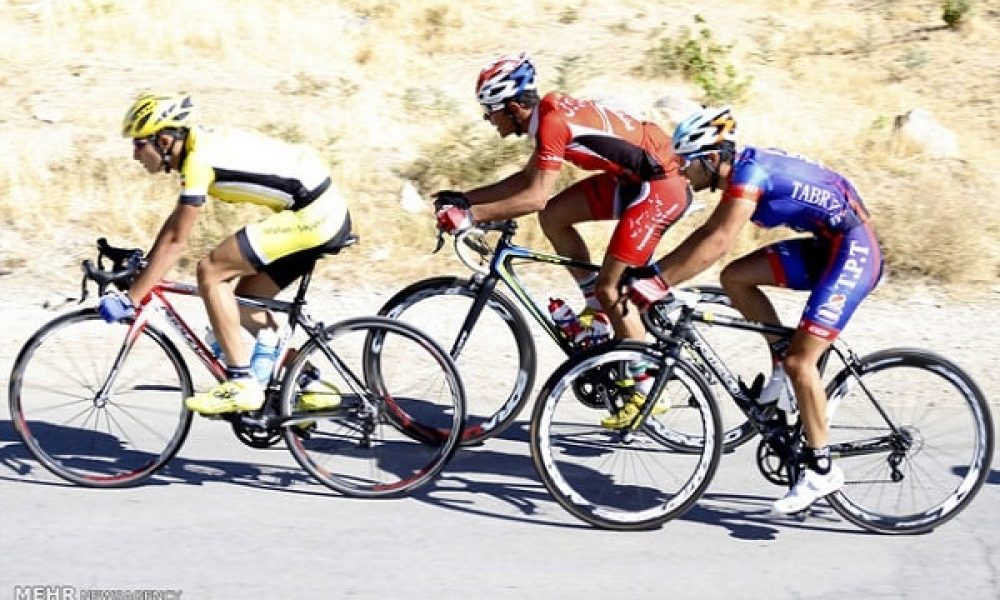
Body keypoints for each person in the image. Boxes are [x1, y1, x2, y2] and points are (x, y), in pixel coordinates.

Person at [626, 106, 884, 513]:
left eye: (687, 163)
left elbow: (717, 239)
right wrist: (656, 273)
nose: (682, 172)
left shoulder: (749, 177)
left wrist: (658, 282)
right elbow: (707, 235)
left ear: (712, 159)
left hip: (853, 250)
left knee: (803, 361)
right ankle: (783, 360)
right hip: (827, 244)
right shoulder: (742, 172)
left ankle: (821, 468)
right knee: (737, 277)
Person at [433, 52, 692, 428]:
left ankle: (647, 388)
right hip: (636, 178)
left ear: (511, 107)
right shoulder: (548, 117)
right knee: (555, 216)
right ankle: (597, 314)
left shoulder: (552, 122)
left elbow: (532, 195)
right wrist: (466, 198)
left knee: (611, 287)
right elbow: (527, 184)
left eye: (490, 111)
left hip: (661, 184)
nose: (488, 120)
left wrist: (471, 218)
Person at [99, 91, 351, 416]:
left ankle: (240, 382)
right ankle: (309, 385)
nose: (134, 154)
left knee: (210, 271)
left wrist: (131, 299)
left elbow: (178, 242)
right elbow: (176, 222)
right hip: (318, 210)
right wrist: (147, 264)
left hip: (314, 214)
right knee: (244, 300)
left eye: (138, 144)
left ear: (163, 140)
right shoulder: (196, 148)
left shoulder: (198, 162)